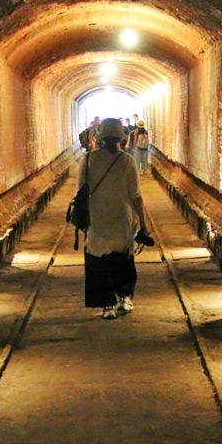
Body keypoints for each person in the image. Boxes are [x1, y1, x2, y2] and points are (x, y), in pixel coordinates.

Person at [79, 117, 149, 319]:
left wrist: (82, 220)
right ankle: (124, 297)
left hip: (97, 216)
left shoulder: (88, 160)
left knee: (99, 260)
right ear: (120, 138)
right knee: (122, 259)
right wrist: (143, 224)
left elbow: (81, 192)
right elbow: (136, 196)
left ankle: (106, 305)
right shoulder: (127, 161)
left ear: (100, 139)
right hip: (122, 217)